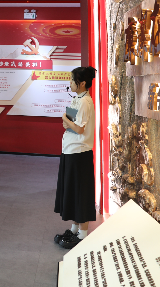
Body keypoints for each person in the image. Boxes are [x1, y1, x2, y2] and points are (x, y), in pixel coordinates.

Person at [54, 66, 97, 250]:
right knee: (72, 191)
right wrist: (67, 120)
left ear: (83, 83)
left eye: (73, 80)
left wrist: (66, 118)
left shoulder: (86, 102)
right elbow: (67, 125)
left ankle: (82, 234)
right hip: (70, 150)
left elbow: (78, 128)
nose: (70, 83)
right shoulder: (77, 99)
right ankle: (74, 229)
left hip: (79, 152)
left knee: (80, 193)